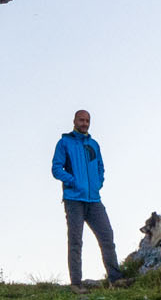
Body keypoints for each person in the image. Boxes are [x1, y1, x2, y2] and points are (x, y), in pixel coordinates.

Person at [51, 109, 126, 290]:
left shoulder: (94, 144)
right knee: (76, 240)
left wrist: (98, 183)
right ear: (74, 121)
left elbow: (100, 167)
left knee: (107, 236)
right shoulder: (64, 142)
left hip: (94, 200)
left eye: (87, 120)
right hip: (73, 199)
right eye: (81, 120)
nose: (84, 123)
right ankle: (76, 283)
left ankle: (115, 279)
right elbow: (56, 168)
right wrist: (73, 182)